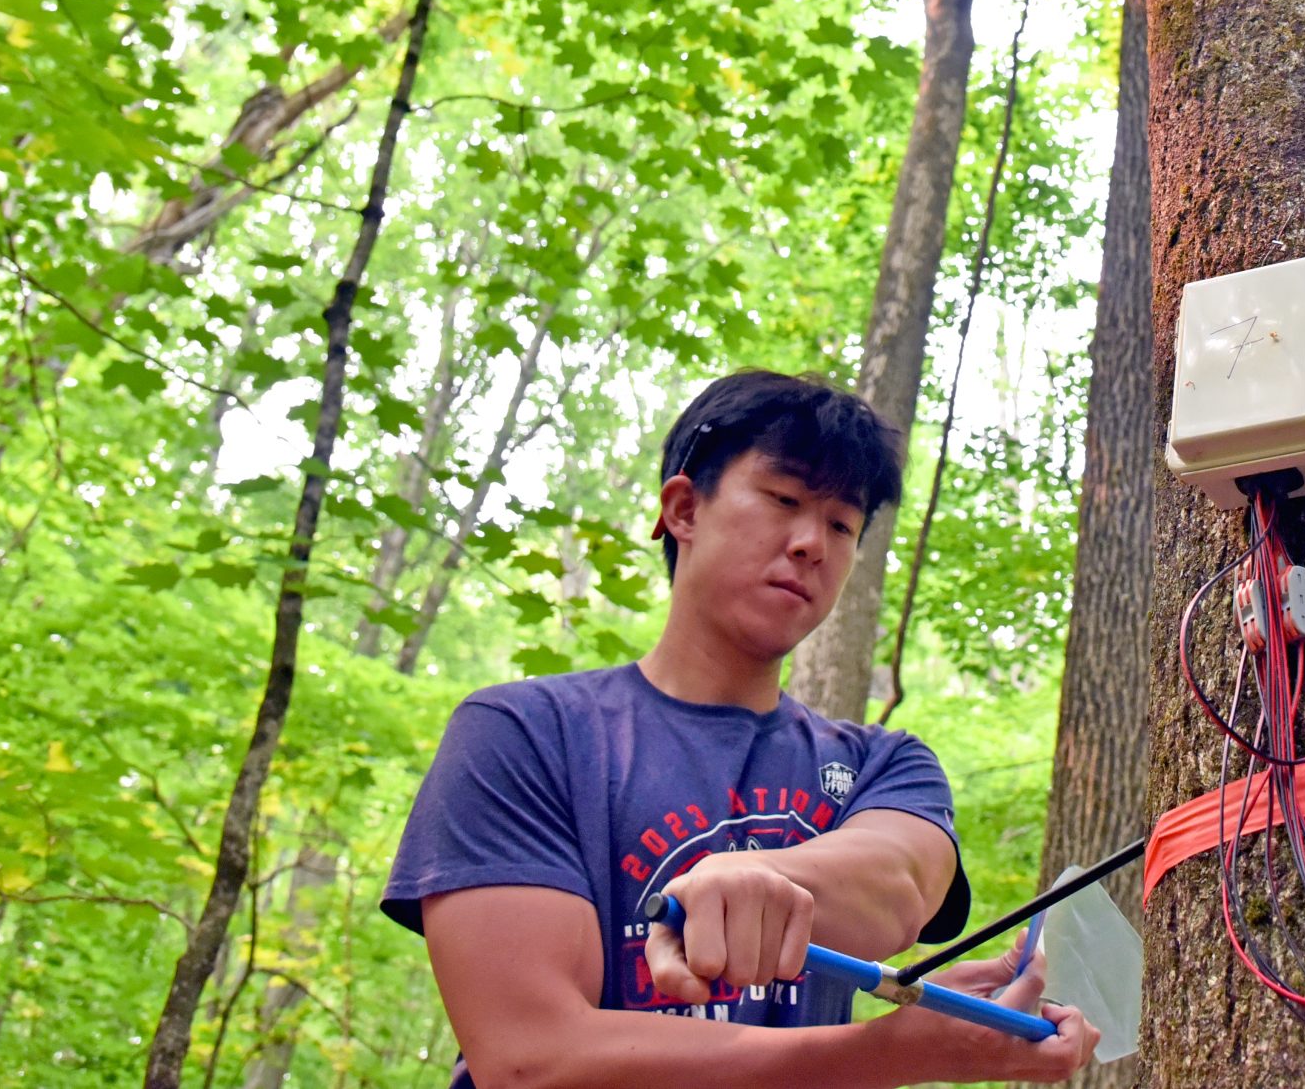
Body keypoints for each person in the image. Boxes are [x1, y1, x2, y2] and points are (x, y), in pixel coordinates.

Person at [382, 370, 1099, 1087]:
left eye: (842, 523)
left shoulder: (885, 762)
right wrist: (897, 1050)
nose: (812, 542)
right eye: (784, 499)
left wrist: (760, 875)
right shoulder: (523, 734)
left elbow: (901, 881)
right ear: (684, 508)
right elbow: (531, 1057)